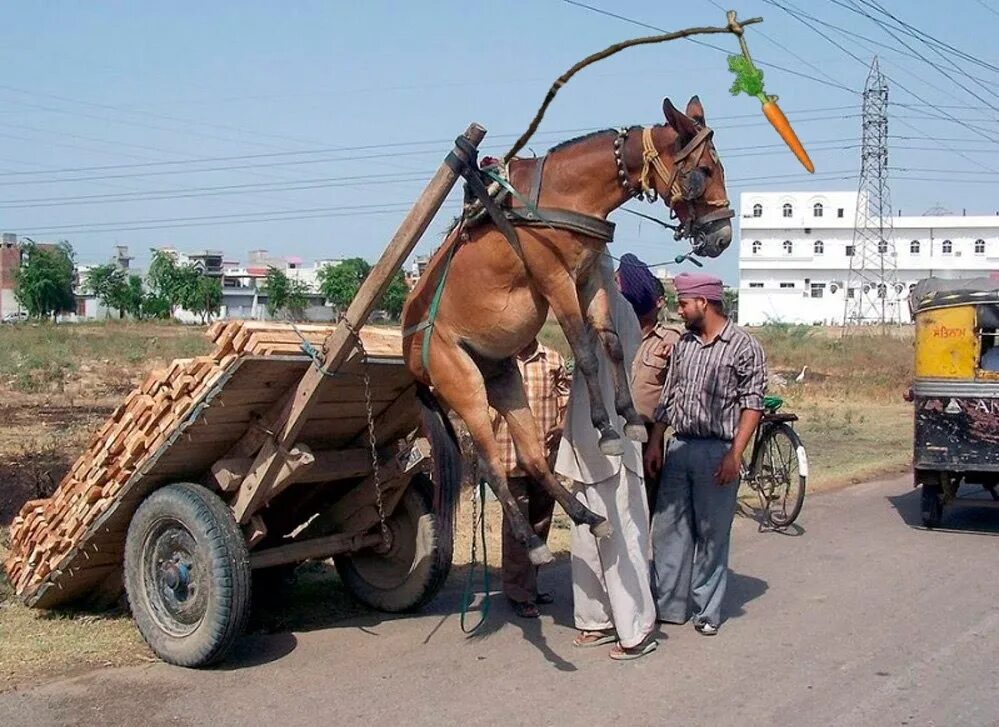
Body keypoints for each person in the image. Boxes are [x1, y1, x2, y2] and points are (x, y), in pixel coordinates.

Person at [644, 272, 767, 636]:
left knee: (712, 535)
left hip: (718, 451)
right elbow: (671, 395)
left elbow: (752, 405)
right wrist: (656, 441)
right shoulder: (684, 344)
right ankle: (669, 606)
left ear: (704, 302)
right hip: (680, 447)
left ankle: (707, 611)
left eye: (683, 303)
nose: (679, 310)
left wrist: (735, 454)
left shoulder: (744, 346)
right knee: (668, 532)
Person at [554, 278, 658, 661]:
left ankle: (637, 629)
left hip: (613, 442)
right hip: (585, 441)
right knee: (586, 540)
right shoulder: (587, 307)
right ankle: (594, 620)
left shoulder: (614, 309)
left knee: (622, 538)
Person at [492, 338, 571, 619]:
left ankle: (530, 585)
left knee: (540, 523)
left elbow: (566, 395)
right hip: (508, 457)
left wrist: (563, 424)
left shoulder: (552, 359)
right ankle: (518, 593)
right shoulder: (498, 359)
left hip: (544, 459)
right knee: (518, 530)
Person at [615, 253, 681, 513]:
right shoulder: (616, 335)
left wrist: (656, 441)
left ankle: (641, 554)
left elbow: (671, 396)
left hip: (647, 434)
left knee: (642, 506)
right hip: (615, 430)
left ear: (660, 303)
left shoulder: (671, 340)